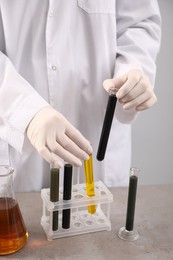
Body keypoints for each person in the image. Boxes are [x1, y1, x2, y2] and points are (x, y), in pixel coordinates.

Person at [0, 0, 161, 191]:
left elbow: (140, 21)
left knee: (103, 213)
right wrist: (23, 109)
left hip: (98, 132)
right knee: (23, 214)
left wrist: (133, 67)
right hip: (19, 143)